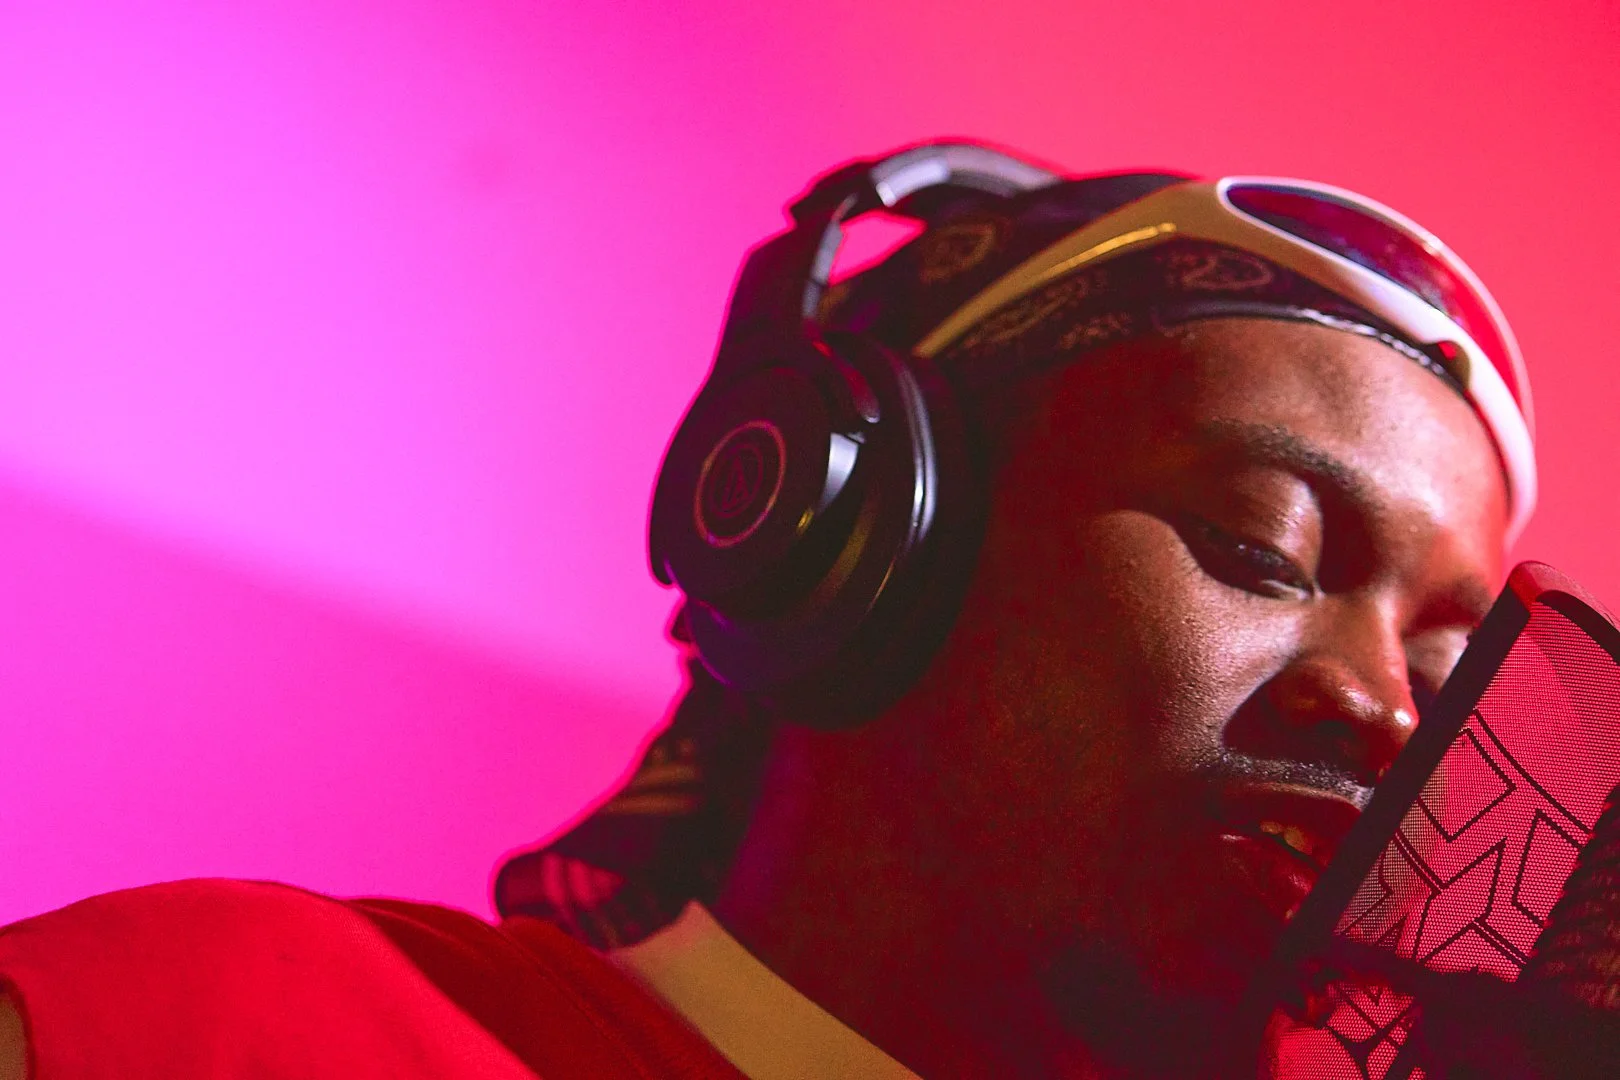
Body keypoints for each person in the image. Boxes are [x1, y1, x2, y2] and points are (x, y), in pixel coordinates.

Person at [0, 143, 1532, 1078]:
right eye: (1261, 548)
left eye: (1450, 675)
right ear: (854, 542)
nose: (1389, 712)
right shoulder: (233, 1027)